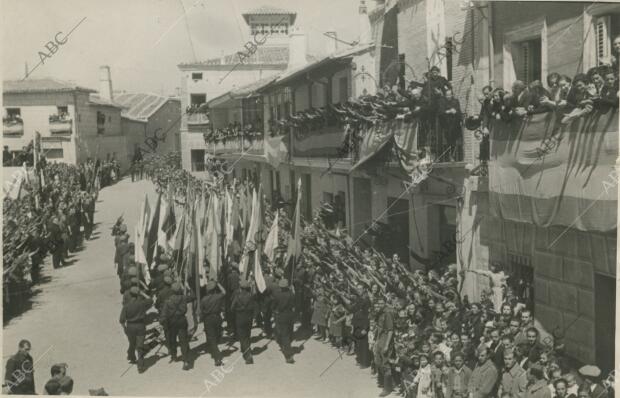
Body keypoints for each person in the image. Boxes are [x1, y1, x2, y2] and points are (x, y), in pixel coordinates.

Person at [119, 286, 153, 373]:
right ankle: (140, 366)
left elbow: (122, 320)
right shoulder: (142, 303)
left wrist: (125, 328)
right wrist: (143, 293)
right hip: (140, 326)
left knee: (132, 343)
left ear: (130, 294)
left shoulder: (126, 306)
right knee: (140, 346)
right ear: (138, 294)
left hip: (130, 327)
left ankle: (131, 356)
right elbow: (151, 299)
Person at [161, 282, 194, 370]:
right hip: (182, 320)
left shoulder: (168, 301)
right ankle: (186, 360)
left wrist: (163, 322)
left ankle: (174, 355)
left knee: (172, 340)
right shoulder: (184, 298)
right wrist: (188, 288)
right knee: (183, 341)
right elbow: (193, 297)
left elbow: (164, 314)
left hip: (172, 322)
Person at [374, 298, 396, 397]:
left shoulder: (388, 313)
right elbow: (378, 328)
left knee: (385, 364)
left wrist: (387, 345)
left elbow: (391, 330)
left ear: (385, 303)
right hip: (380, 339)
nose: (380, 305)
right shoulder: (380, 313)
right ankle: (383, 382)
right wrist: (376, 341)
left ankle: (387, 388)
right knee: (378, 362)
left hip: (386, 339)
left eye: (382, 303)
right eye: (378, 303)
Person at [200, 281, 225, 366]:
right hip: (217, 318)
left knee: (211, 338)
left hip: (208, 319)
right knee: (217, 336)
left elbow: (201, 312)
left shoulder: (203, 299)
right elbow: (224, 292)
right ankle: (216, 353)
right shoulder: (217, 297)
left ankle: (217, 357)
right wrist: (218, 283)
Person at [231, 279, 256, 365]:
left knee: (242, 337)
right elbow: (254, 307)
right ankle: (245, 349)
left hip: (240, 318)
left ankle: (248, 355)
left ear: (241, 288)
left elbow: (232, 308)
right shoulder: (251, 296)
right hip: (249, 318)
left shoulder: (237, 297)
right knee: (247, 335)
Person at [272, 278, 296, 364]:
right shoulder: (292, 294)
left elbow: (274, 305)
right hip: (290, 315)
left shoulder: (277, 295)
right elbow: (294, 304)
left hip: (281, 315)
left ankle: (288, 355)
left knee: (284, 334)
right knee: (289, 333)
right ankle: (286, 346)